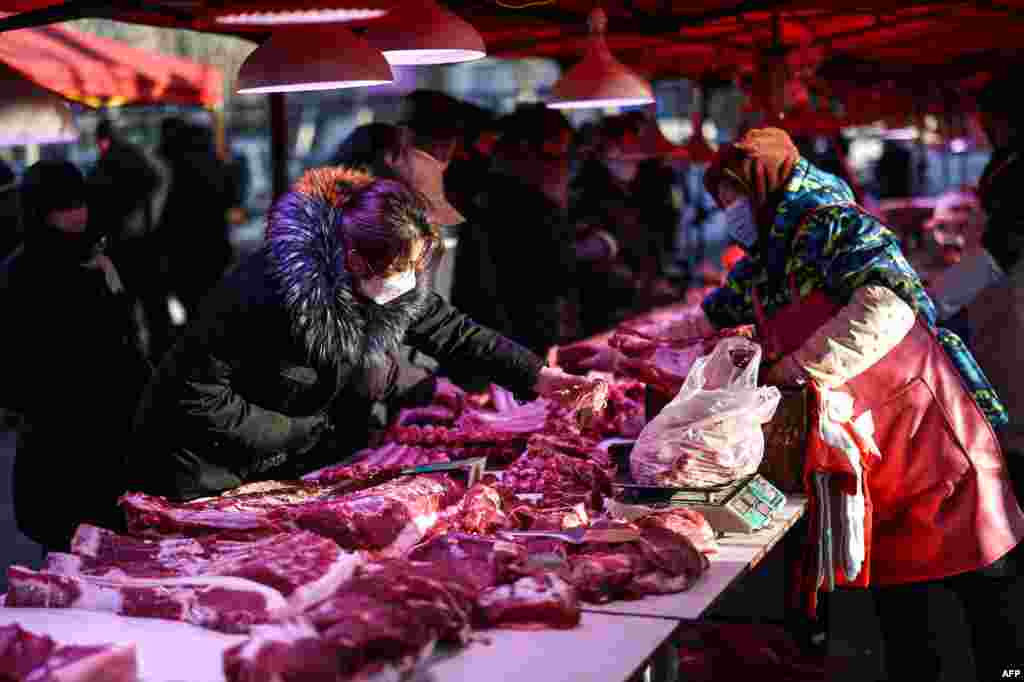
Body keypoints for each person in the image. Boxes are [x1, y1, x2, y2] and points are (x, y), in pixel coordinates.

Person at [668, 127, 1024, 682]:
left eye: (733, 197)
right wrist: (664, 339)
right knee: (901, 595)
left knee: (979, 577)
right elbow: (723, 305)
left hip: (922, 425)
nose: (728, 211)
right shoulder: (773, 246)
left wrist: (792, 370)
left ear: (763, 186)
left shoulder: (834, 224)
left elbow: (887, 304)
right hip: (868, 434)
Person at [128, 166, 596, 501]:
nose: (409, 281)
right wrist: (299, 432)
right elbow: (197, 398)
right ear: (353, 260)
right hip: (199, 472)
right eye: (401, 268)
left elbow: (452, 331)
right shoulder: (260, 292)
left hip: (276, 463)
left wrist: (537, 376)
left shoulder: (382, 281)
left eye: (416, 267)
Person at [0, 161, 151, 551]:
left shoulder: (98, 260)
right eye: (61, 206)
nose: (75, 214)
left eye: (79, 202)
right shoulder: (21, 277)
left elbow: (127, 349)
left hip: (111, 448)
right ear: (38, 211)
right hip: (60, 452)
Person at [964, 73, 1024, 473]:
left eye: (988, 118)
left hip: (1013, 290)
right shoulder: (1005, 160)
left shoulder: (1018, 167)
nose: (983, 127)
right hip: (999, 291)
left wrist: (943, 294)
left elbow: (1003, 243)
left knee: (1014, 387)